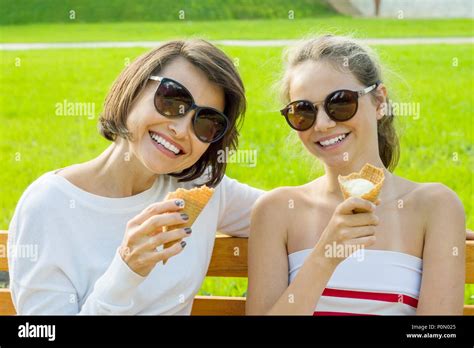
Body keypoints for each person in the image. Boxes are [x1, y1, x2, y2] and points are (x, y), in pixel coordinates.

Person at [9, 39, 264, 315]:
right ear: (134, 89)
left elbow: (299, 214)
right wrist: (126, 270)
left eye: (205, 122)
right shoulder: (48, 207)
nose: (180, 129)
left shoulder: (201, 189)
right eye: (172, 100)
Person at [246, 35, 466, 315]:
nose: (323, 124)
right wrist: (325, 256)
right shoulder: (275, 211)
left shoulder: (434, 206)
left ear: (378, 102)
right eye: (303, 111)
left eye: (340, 103)